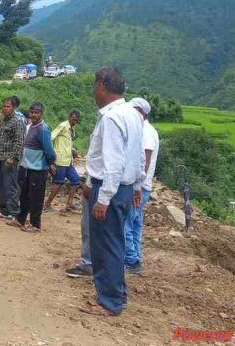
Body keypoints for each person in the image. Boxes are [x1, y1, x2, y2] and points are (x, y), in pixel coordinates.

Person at [79, 67, 144, 317]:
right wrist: (137, 186)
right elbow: (137, 157)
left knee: (105, 245)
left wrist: (103, 198)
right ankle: (117, 295)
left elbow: (114, 163)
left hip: (110, 189)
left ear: (102, 86)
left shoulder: (112, 118)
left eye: (95, 85)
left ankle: (109, 301)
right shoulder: (132, 115)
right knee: (116, 242)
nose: (94, 91)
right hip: (124, 190)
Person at [6, 102, 56, 232]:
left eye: (36, 112)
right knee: (24, 195)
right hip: (26, 166)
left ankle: (35, 224)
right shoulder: (30, 126)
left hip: (38, 169)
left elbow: (49, 151)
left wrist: (50, 163)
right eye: (32, 112)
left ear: (41, 113)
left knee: (36, 197)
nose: (33, 115)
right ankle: (20, 219)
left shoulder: (43, 129)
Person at [125, 98, 159, 276]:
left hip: (140, 187)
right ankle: (135, 256)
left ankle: (131, 260)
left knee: (126, 224)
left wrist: (136, 185)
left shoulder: (144, 131)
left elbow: (143, 163)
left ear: (141, 112)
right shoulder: (149, 130)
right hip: (145, 186)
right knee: (136, 223)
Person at [45, 110, 81, 213]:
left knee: (75, 180)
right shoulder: (63, 126)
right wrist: (53, 154)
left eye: (76, 121)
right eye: (73, 119)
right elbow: (50, 137)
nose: (74, 122)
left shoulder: (72, 129)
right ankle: (47, 204)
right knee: (59, 182)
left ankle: (69, 203)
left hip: (68, 161)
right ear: (69, 117)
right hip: (60, 160)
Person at [0, 97, 24, 219]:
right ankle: (3, 209)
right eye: (4, 106)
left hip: (9, 159)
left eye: (8, 107)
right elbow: (1, 139)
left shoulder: (17, 122)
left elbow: (19, 141)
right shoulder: (3, 120)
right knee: (1, 185)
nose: (6, 108)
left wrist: (12, 157)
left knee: (10, 185)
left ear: (14, 108)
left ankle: (13, 212)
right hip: (1, 156)